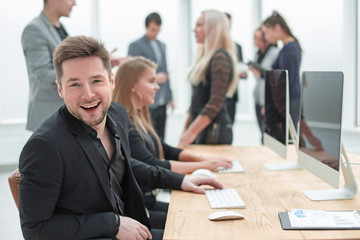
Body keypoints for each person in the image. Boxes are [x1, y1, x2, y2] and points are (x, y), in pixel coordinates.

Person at [18, 35, 223, 240]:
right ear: (60, 90)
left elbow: (124, 163)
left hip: (132, 225)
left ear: (111, 81)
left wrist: (180, 181)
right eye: (75, 85)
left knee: (204, 230)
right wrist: (113, 223)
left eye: (96, 81)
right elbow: (35, 229)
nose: (88, 94)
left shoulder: (116, 114)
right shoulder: (44, 147)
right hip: (102, 234)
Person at [112, 56, 233, 229]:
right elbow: (152, 164)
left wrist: (201, 159)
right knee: (197, 222)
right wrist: (204, 165)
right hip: (142, 208)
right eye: (151, 81)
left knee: (202, 212)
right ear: (133, 85)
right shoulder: (126, 125)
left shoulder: (140, 118)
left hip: (150, 203)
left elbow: (166, 150)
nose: (157, 87)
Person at [21, 0, 123, 132]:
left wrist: (97, 65)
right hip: (48, 116)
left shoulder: (60, 28)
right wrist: (85, 68)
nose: (75, 3)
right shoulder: (34, 29)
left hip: (67, 117)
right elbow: (43, 76)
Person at [178, 10, 238, 149]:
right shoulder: (206, 57)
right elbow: (196, 101)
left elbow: (215, 103)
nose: (194, 30)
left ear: (212, 29)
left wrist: (190, 132)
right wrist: (186, 131)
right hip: (202, 129)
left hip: (213, 132)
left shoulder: (220, 58)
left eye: (199, 25)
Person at [128, 12, 173, 140]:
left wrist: (170, 96)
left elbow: (165, 70)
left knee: (161, 138)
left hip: (162, 100)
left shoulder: (162, 45)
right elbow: (132, 73)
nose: (156, 33)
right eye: (153, 30)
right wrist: (154, 79)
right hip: (146, 101)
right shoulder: (136, 46)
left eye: (158, 30)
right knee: (148, 138)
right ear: (146, 27)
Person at [260, 10, 302, 128]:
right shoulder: (286, 48)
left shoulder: (290, 50)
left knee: (288, 137)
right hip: (288, 101)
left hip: (290, 101)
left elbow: (285, 81)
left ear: (277, 28)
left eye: (267, 32)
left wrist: (271, 105)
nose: (267, 37)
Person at [250, 27, 279, 142]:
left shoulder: (275, 53)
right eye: (255, 39)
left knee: (268, 133)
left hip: (267, 99)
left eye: (259, 39)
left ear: (266, 39)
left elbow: (273, 78)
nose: (256, 42)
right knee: (261, 131)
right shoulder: (257, 55)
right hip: (257, 96)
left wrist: (266, 103)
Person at [224, 12, 248, 125]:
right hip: (219, 94)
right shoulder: (213, 47)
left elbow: (242, 68)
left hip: (232, 94)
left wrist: (243, 74)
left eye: (229, 24)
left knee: (230, 125)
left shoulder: (237, 47)